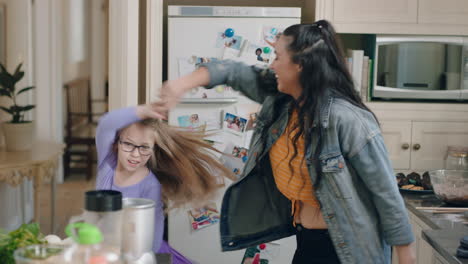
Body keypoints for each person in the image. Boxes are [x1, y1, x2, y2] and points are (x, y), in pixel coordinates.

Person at [156, 20, 416, 264]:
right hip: (307, 239)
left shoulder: (347, 119)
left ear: (300, 64)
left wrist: (405, 255)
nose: (272, 65)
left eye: (278, 57)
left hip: (348, 250)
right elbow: (234, 72)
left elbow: (386, 194)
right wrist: (180, 85)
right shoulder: (283, 100)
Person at [95, 104, 234, 263]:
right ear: (116, 143)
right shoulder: (106, 165)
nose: (135, 154)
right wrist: (142, 111)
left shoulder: (150, 185)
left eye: (144, 147)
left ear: (153, 149)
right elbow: (106, 124)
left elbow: (152, 237)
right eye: (128, 144)